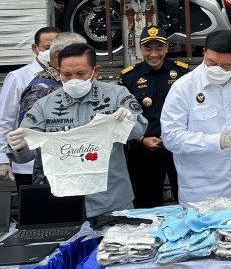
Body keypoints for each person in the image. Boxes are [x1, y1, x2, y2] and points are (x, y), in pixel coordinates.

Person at [6, 43, 147, 219]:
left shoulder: (116, 95)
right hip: (63, 202)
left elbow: (140, 128)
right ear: (58, 72)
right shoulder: (44, 105)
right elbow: (25, 155)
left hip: (112, 200)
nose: (73, 80)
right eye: (66, 74)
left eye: (80, 74)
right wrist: (19, 147)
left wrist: (128, 121)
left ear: (95, 71)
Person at [160, 30, 231, 205]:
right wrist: (217, 141)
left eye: (226, 66)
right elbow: (171, 138)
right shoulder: (183, 88)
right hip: (203, 194)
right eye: (211, 62)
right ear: (204, 53)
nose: (217, 69)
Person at [119, 26, 189, 207]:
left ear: (166, 48)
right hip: (144, 148)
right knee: (147, 204)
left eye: (159, 48)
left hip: (179, 147)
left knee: (188, 199)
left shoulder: (182, 73)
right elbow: (123, 118)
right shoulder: (129, 77)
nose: (153, 54)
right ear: (141, 49)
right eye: (148, 49)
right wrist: (141, 139)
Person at [18, 32, 87, 185]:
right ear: (59, 55)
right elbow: (27, 135)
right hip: (52, 174)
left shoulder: (77, 81)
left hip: (80, 168)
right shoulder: (40, 88)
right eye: (78, 52)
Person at [0, 26, 60, 185]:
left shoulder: (67, 75)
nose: (53, 52)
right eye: (48, 48)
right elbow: (5, 120)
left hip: (62, 162)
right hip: (28, 164)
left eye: (58, 47)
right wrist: (3, 159)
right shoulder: (17, 77)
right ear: (35, 48)